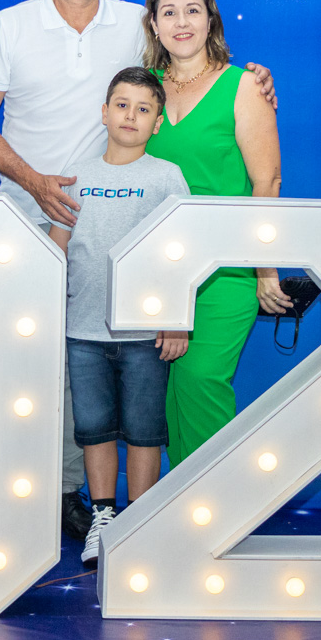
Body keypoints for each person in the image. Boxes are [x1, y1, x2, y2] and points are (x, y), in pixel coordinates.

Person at [0, 0, 278, 538]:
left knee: (87, 368)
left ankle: (71, 496)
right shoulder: (10, 25)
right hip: (22, 220)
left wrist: (254, 78)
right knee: (11, 362)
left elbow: (193, 63)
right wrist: (36, 184)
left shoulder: (135, 23)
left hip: (108, 232)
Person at [142, 0, 288, 467]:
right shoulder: (145, 88)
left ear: (210, 21)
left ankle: (216, 502)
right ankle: (180, 504)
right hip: (159, 267)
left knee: (201, 377)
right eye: (169, 13)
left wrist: (264, 267)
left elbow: (267, 181)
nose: (181, 22)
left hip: (227, 267)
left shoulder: (244, 85)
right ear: (154, 25)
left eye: (192, 11)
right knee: (167, 393)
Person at [48, 68, 191, 566]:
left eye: (144, 109)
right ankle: (104, 517)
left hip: (145, 333)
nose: (131, 115)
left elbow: (182, 252)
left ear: (157, 123)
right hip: (83, 330)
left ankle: (140, 523)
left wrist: (177, 318)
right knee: (95, 428)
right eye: (122, 105)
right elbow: (57, 246)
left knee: (144, 429)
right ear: (105, 113)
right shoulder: (78, 174)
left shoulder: (166, 176)